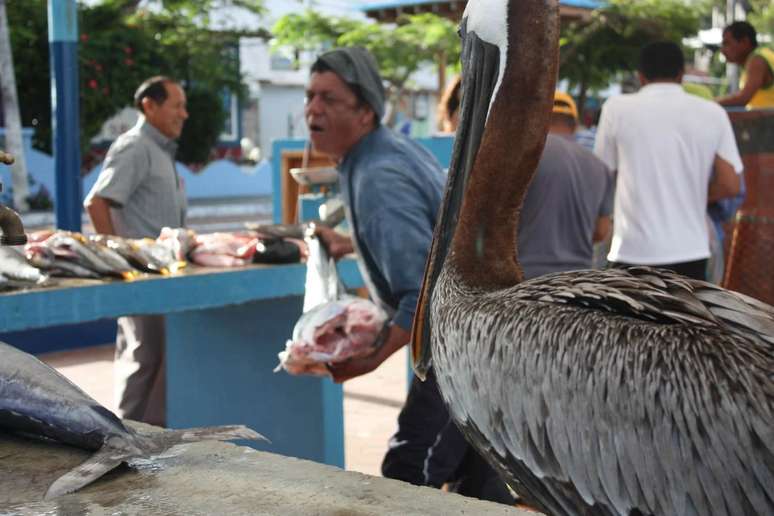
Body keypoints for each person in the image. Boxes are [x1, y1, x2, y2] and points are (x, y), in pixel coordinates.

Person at [305, 47, 511, 503]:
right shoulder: (386, 151)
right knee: (476, 484)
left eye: (329, 99)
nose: (312, 110)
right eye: (309, 96)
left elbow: (419, 291)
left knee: (406, 478)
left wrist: (369, 359)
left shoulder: (377, 174)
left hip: (457, 352)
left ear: (364, 111)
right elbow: (426, 237)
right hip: (478, 342)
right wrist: (349, 243)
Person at [84, 76, 188, 426]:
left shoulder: (159, 151)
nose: (184, 114)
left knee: (157, 358)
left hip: (162, 276)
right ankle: (122, 442)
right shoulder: (134, 146)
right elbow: (97, 203)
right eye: (177, 105)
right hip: (142, 277)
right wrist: (117, 261)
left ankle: (146, 441)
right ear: (149, 105)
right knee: (144, 357)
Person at [594, 41, 743, 281]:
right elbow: (730, 184)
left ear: (640, 76)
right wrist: (691, 193)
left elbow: (601, 175)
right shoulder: (712, 113)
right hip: (691, 251)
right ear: (681, 74)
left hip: (631, 249)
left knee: (627, 320)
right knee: (683, 319)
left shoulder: (616, 109)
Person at [518, 91, 614, 279]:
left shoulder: (522, 157)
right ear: (574, 125)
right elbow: (601, 232)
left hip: (525, 280)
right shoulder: (599, 166)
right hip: (577, 282)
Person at [716, 21, 774, 109]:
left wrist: (708, 103)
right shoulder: (762, 55)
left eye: (727, 43)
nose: (722, 50)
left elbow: (742, 99)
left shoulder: (757, 60)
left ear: (744, 42)